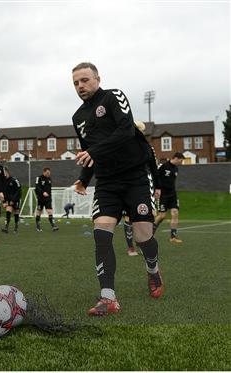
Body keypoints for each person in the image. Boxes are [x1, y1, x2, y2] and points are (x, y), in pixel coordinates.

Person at [71, 62, 163, 316]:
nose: (80, 86)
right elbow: (90, 154)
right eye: (76, 83)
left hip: (135, 177)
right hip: (107, 183)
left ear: (97, 79)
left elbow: (125, 131)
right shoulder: (78, 118)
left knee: (143, 236)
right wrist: (84, 179)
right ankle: (108, 297)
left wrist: (93, 152)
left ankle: (153, 269)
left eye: (85, 80)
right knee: (102, 234)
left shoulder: (113, 97)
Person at [123, 120, 162, 256]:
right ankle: (130, 248)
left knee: (146, 214)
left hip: (144, 184)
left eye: (142, 130)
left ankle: (143, 243)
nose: (140, 132)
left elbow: (153, 168)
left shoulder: (148, 147)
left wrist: (158, 187)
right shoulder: (123, 146)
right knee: (128, 216)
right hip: (127, 184)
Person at [153, 152, 185, 243]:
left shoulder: (176, 169)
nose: (181, 162)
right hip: (163, 194)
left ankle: (173, 237)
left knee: (175, 213)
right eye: (181, 160)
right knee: (162, 216)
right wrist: (156, 189)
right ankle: (150, 231)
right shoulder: (164, 166)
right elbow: (156, 177)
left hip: (173, 194)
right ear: (176, 158)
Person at [35, 167, 59, 232]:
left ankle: (53, 226)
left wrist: (49, 197)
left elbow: (49, 189)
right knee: (39, 212)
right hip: (40, 198)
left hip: (48, 199)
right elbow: (36, 187)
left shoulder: (49, 179)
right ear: (44, 172)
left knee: (49, 211)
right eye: (47, 173)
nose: (48, 174)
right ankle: (38, 226)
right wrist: (43, 192)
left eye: (49, 173)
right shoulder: (39, 178)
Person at [1, 167, 22, 234]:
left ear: (7, 172)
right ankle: (6, 227)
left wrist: (13, 200)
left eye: (4, 172)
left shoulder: (14, 180)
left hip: (16, 199)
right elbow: (2, 192)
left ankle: (16, 227)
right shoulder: (2, 181)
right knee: (8, 211)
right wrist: (4, 202)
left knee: (16, 212)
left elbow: (19, 191)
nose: (3, 174)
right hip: (8, 200)